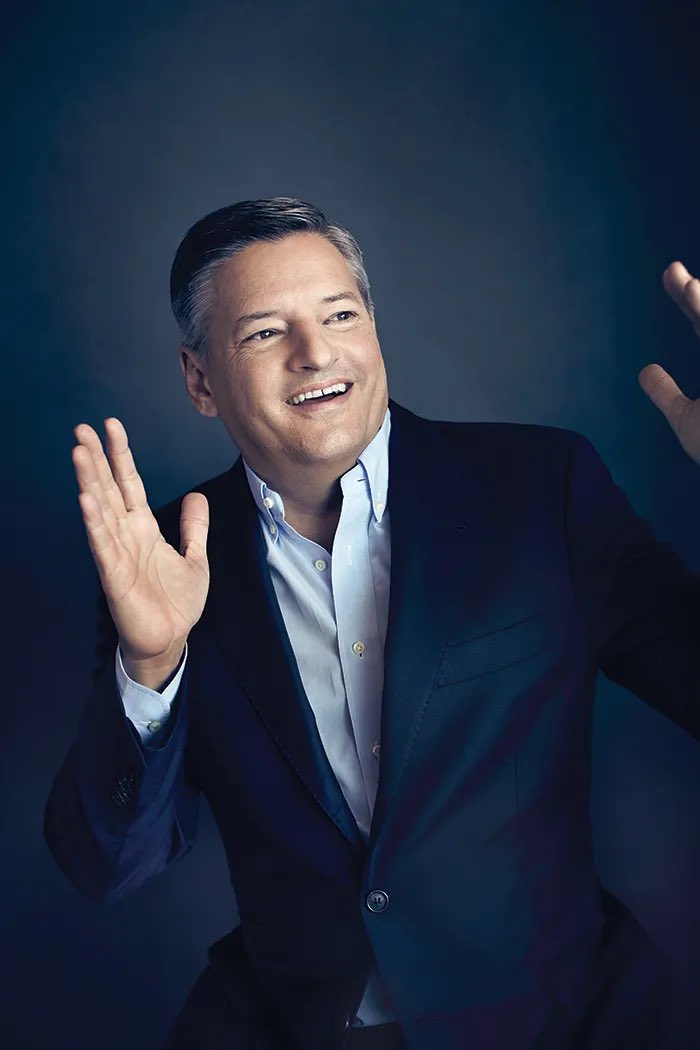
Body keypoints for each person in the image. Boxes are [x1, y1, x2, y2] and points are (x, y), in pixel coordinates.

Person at [45, 197, 700, 1050]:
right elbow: (107, 866)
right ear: (200, 380)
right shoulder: (157, 558)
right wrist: (152, 661)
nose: (316, 353)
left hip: (556, 1019)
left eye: (340, 314)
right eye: (264, 332)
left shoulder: (544, 487)